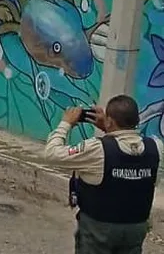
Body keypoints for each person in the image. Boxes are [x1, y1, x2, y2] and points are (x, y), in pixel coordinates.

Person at [43, 95, 164, 254]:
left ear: (110, 121)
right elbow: (127, 150)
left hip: (98, 228)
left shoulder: (97, 149)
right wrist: (108, 128)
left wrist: (66, 123)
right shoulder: (156, 147)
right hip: (135, 228)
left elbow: (52, 154)